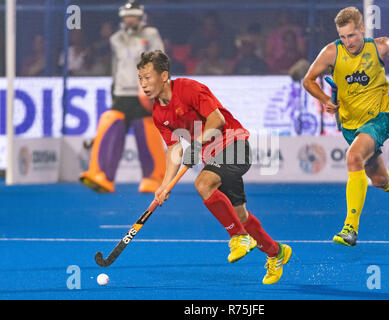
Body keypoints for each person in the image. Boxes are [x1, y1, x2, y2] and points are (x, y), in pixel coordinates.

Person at [137, 50, 292, 284]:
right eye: (140, 78)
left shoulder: (189, 88)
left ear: (164, 75)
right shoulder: (158, 113)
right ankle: (276, 252)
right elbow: (173, 150)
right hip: (214, 157)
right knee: (240, 215)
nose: (144, 84)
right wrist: (165, 185)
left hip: (235, 144)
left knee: (203, 183)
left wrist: (197, 143)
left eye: (148, 77)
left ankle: (238, 237)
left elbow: (217, 119)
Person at [302, 7, 389, 247]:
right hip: (351, 126)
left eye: (351, 35)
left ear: (362, 28)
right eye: (342, 36)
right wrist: (326, 100)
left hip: (378, 119)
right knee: (379, 180)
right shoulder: (331, 52)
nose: (347, 42)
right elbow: (308, 80)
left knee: (353, 158)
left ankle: (350, 227)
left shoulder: (380, 46)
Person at [80, 0, 166, 193]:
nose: (129, 19)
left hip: (143, 93)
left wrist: (152, 88)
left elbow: (159, 62)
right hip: (121, 93)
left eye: (133, 15)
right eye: (126, 16)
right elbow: (116, 66)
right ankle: (101, 175)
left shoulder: (150, 35)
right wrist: (113, 88)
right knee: (111, 127)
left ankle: (154, 177)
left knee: (146, 132)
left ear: (140, 16)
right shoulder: (116, 38)